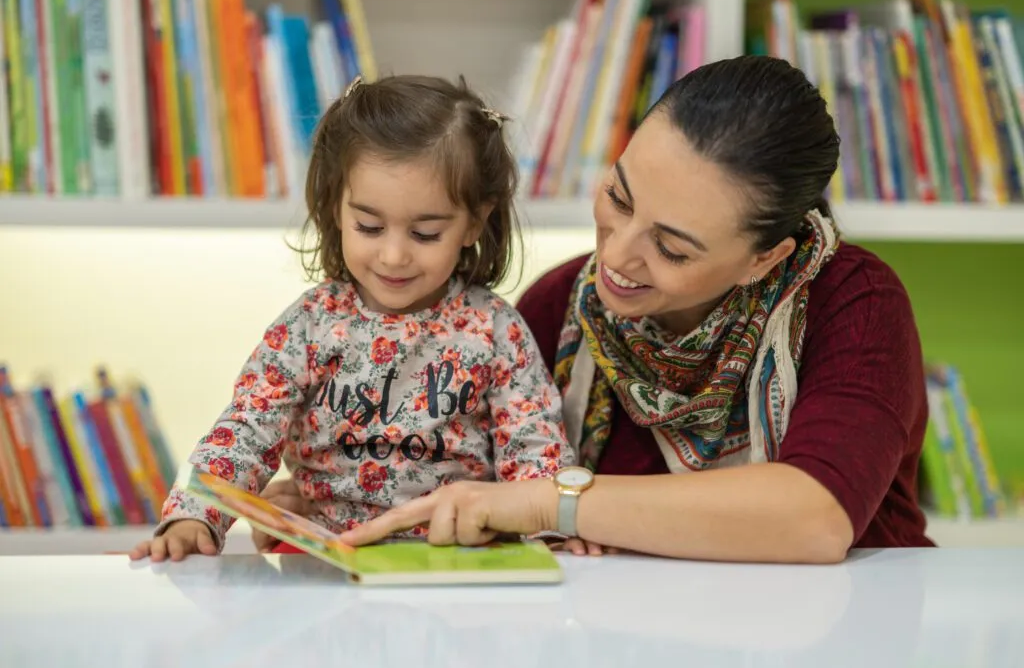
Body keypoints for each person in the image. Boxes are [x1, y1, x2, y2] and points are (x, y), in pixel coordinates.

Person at [256, 54, 934, 564]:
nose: (617, 255)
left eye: (671, 246)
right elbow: (478, 497)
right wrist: (343, 510)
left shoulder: (854, 302)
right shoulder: (557, 307)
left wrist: (558, 499)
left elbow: (813, 518)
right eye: (619, 194)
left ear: (763, 258)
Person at [129, 74, 575, 563]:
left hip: (459, 562)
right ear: (334, 208)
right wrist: (195, 514)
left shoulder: (495, 330)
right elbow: (248, 426)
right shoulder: (310, 325)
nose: (393, 254)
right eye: (369, 226)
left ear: (473, 222)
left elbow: (534, 445)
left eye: (426, 233)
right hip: (326, 557)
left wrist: (552, 533)